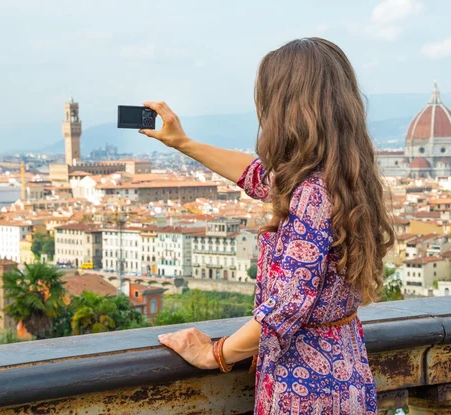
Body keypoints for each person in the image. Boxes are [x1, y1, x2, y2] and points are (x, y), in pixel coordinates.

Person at [139, 37, 395, 415]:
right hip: (346, 369)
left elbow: (285, 308)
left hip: (304, 387)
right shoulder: (345, 177)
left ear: (286, 107)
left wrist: (215, 354)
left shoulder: (311, 193)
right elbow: (256, 175)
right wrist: (183, 143)